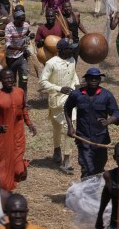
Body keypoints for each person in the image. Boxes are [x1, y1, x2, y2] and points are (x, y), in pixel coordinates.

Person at [64, 67, 119, 178]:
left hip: (101, 140)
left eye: (96, 78)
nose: (93, 80)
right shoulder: (77, 95)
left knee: (99, 169)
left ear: (100, 80)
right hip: (83, 139)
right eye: (91, 78)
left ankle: (98, 193)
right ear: (86, 79)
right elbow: (67, 108)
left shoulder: (106, 95)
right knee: (87, 169)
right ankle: (86, 193)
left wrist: (108, 121)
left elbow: (116, 114)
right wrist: (70, 127)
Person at [0, 68, 36, 191]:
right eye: (6, 78)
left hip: (18, 133)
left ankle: (21, 167)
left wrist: (29, 124)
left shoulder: (20, 92)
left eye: (11, 77)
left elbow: (24, 108)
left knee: (18, 168)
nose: (9, 80)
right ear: (1, 80)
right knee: (4, 162)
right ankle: (4, 188)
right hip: (3, 135)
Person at [39, 39, 80, 173]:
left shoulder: (72, 60)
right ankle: (57, 151)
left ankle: (66, 160)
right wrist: (59, 88)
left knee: (71, 126)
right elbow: (43, 82)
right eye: (69, 48)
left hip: (70, 100)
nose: (72, 50)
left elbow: (74, 75)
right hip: (56, 100)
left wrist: (78, 86)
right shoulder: (51, 63)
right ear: (61, 50)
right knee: (56, 127)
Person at [95, 141, 119, 229]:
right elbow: (106, 195)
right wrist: (99, 216)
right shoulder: (110, 176)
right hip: (116, 224)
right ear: (114, 158)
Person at [4, 10, 31, 94]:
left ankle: (23, 97)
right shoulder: (9, 27)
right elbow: (7, 44)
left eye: (23, 20)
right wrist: (18, 48)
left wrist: (30, 36)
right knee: (12, 80)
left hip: (21, 57)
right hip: (11, 58)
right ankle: (13, 97)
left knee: (24, 78)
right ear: (15, 19)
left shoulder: (26, 25)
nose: (22, 22)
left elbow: (27, 34)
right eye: (20, 20)